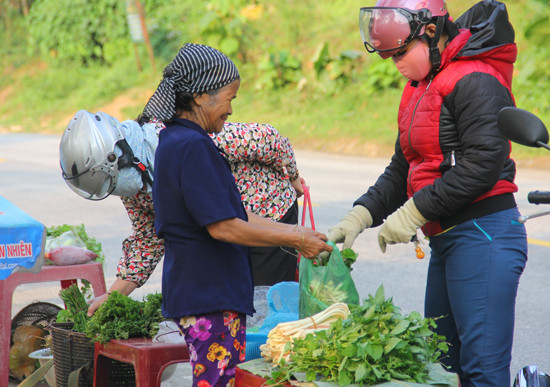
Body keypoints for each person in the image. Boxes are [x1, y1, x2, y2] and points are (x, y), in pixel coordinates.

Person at [327, 1, 527, 386]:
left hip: (483, 234)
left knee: (482, 371)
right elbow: (402, 169)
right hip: (447, 238)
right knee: (439, 365)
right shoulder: (419, 89)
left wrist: (414, 211)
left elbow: (483, 163)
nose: (396, 63)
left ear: (431, 32)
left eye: (401, 53)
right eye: (389, 56)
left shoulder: (476, 79)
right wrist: (361, 215)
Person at [141, 42, 331, 386]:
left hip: (202, 292)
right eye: (228, 97)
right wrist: (296, 236)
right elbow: (225, 227)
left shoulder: (178, 140)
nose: (231, 108)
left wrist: (297, 237)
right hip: (208, 296)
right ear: (200, 96)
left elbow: (236, 213)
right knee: (218, 382)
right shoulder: (192, 146)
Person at [211, 122, 304, 286]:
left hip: (270, 210)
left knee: (268, 294)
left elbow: (273, 139)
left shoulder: (212, 138)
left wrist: (293, 177)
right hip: (229, 221)